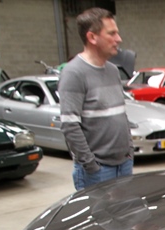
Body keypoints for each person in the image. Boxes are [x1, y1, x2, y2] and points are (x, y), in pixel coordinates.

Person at [59, 8, 133, 191]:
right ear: (92, 37)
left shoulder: (113, 71)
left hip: (123, 165)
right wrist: (91, 165)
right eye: (112, 33)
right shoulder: (74, 73)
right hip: (97, 171)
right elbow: (70, 125)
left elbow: (121, 115)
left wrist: (129, 152)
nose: (119, 39)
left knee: (124, 211)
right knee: (98, 211)